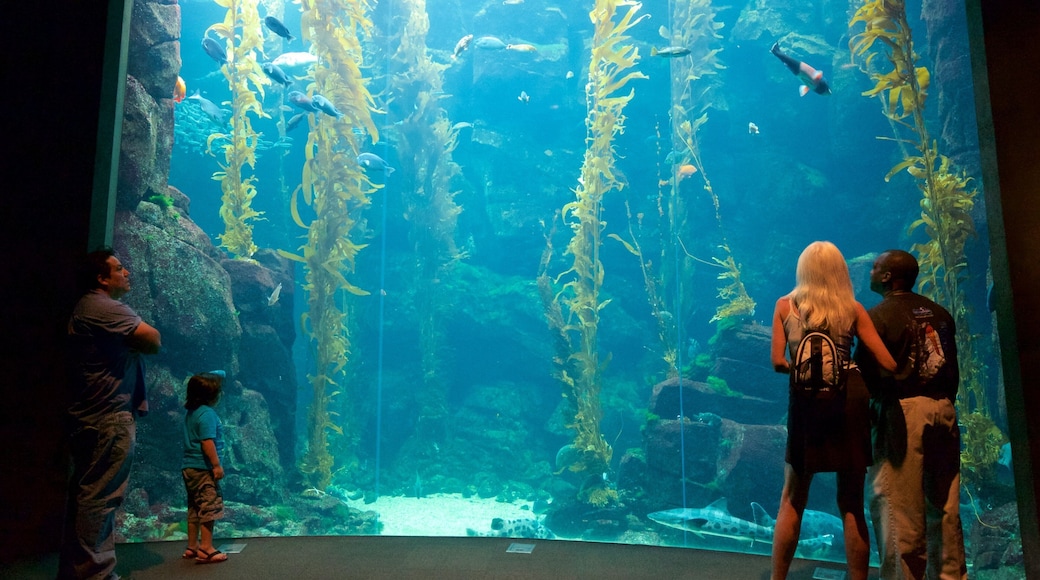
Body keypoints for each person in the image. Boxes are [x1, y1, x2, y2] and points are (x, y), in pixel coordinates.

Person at [769, 241, 897, 580]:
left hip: (806, 404)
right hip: (849, 403)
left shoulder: (785, 306)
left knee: (792, 499)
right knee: (851, 501)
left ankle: (777, 578)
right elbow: (886, 362)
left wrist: (806, 369)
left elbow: (778, 363)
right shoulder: (852, 308)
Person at [854, 249, 967, 579]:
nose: (871, 271)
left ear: (888, 277)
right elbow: (952, 367)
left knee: (897, 508)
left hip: (903, 413)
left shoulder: (878, 317)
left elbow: (866, 373)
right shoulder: (940, 314)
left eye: (875, 267)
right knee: (945, 507)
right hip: (944, 409)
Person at [60, 248, 162, 580]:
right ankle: (95, 574)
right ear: (102, 278)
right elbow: (152, 339)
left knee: (90, 493)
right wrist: (134, 342)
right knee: (100, 497)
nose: (127, 272)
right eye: (119, 268)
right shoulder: (104, 308)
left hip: (95, 416)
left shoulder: (89, 307)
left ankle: (79, 570)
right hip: (107, 418)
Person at [182, 371, 229, 564]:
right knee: (209, 506)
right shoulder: (208, 414)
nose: (221, 395)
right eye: (219, 392)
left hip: (189, 468)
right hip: (204, 469)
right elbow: (207, 442)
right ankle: (206, 548)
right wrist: (216, 465)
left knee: (194, 507)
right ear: (211, 396)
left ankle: (192, 546)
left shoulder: (192, 413)